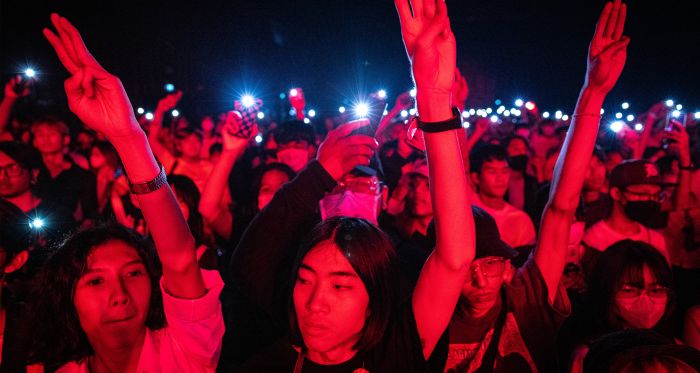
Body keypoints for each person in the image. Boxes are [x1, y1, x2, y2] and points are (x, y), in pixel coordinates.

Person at [230, 1, 476, 370]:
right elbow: (248, 264)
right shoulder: (266, 364)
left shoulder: (396, 348)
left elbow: (455, 257)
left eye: (341, 285)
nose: (315, 303)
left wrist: (435, 99)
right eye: (304, 280)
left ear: (375, 299)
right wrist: (318, 173)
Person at [433, 1, 631, 371]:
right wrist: (439, 100)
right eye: (466, 267)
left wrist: (593, 92)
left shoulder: (527, 300)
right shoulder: (430, 318)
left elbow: (560, 208)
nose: (479, 279)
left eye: (490, 263)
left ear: (508, 267)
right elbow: (455, 193)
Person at [27, 14, 224, 371]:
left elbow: (180, 258)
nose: (119, 297)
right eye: (96, 280)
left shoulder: (186, 355)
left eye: (134, 273)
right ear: (67, 296)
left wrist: (127, 135)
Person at [567, 240, 678, 372]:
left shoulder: (676, 350)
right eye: (629, 290)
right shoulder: (589, 356)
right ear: (606, 293)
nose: (645, 301)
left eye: (656, 290)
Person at [582, 159, 670, 272]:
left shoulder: (657, 241)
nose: (651, 200)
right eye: (643, 193)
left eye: (656, 195)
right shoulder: (593, 241)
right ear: (616, 194)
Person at [31, 116, 98, 224]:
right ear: (34, 141)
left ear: (65, 139)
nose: (46, 139)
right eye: (40, 135)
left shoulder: (82, 176)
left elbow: (90, 215)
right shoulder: (28, 173)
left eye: (52, 134)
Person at [470, 144, 537, 249]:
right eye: (492, 172)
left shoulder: (520, 220)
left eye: (504, 171)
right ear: (476, 177)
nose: (500, 178)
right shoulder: (466, 212)